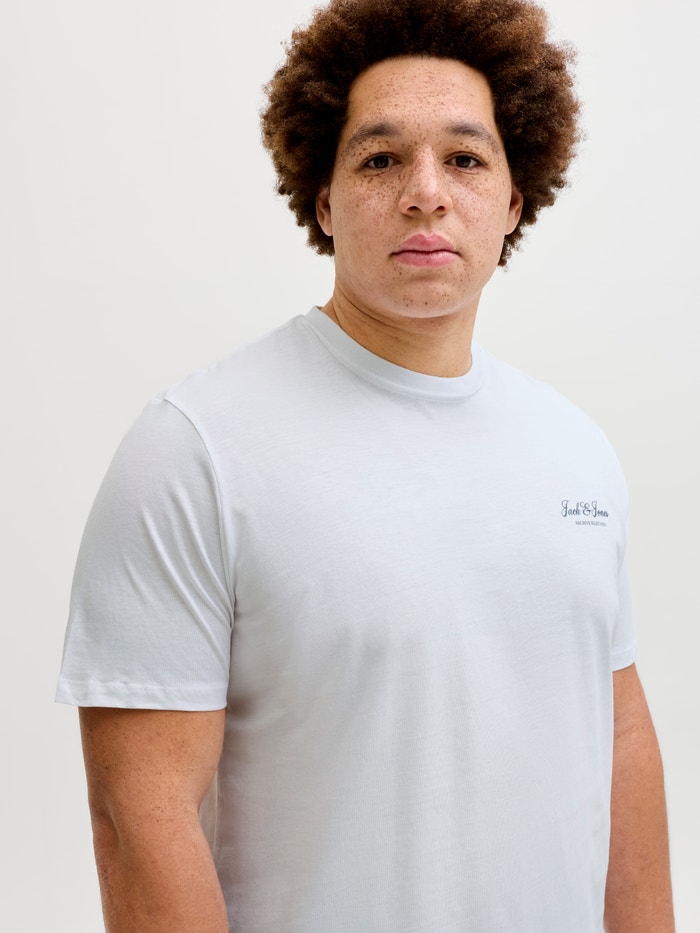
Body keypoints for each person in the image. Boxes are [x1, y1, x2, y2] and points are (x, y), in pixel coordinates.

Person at [57, 0, 674, 929]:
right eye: (380, 159)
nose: (426, 192)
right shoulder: (197, 449)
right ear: (323, 198)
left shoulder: (575, 449)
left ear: (514, 200)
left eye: (465, 158)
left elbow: (619, 737)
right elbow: (138, 817)